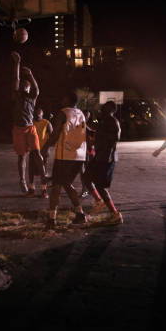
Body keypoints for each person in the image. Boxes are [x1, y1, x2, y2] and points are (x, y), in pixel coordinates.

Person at [41, 91, 88, 229]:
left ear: (67, 99)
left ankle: (51, 219)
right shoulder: (81, 113)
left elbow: (55, 134)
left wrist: (44, 148)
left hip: (65, 155)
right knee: (66, 184)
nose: (62, 99)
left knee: (57, 186)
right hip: (79, 155)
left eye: (63, 97)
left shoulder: (63, 113)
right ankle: (80, 214)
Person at [11, 51, 47, 195]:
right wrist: (17, 63)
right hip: (18, 129)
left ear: (29, 87)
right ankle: (22, 181)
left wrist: (31, 74)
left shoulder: (32, 98)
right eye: (24, 85)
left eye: (27, 85)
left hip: (30, 128)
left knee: (37, 153)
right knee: (22, 157)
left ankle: (43, 177)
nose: (25, 86)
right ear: (21, 87)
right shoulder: (16, 95)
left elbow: (37, 89)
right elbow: (16, 78)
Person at [84, 101, 124, 223]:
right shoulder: (104, 121)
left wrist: (100, 134)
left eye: (106, 107)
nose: (102, 108)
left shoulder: (112, 121)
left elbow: (116, 137)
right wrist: (87, 128)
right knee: (86, 177)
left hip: (107, 158)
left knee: (101, 187)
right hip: (99, 156)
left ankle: (115, 214)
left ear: (111, 109)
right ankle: (99, 202)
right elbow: (97, 133)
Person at [28, 108, 52, 197]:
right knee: (31, 170)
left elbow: (52, 136)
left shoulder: (47, 123)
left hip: (43, 151)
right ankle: (31, 189)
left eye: (39, 114)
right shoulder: (31, 123)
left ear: (42, 114)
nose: (37, 115)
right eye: (36, 114)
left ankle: (44, 190)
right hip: (33, 150)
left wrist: (47, 148)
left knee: (43, 171)